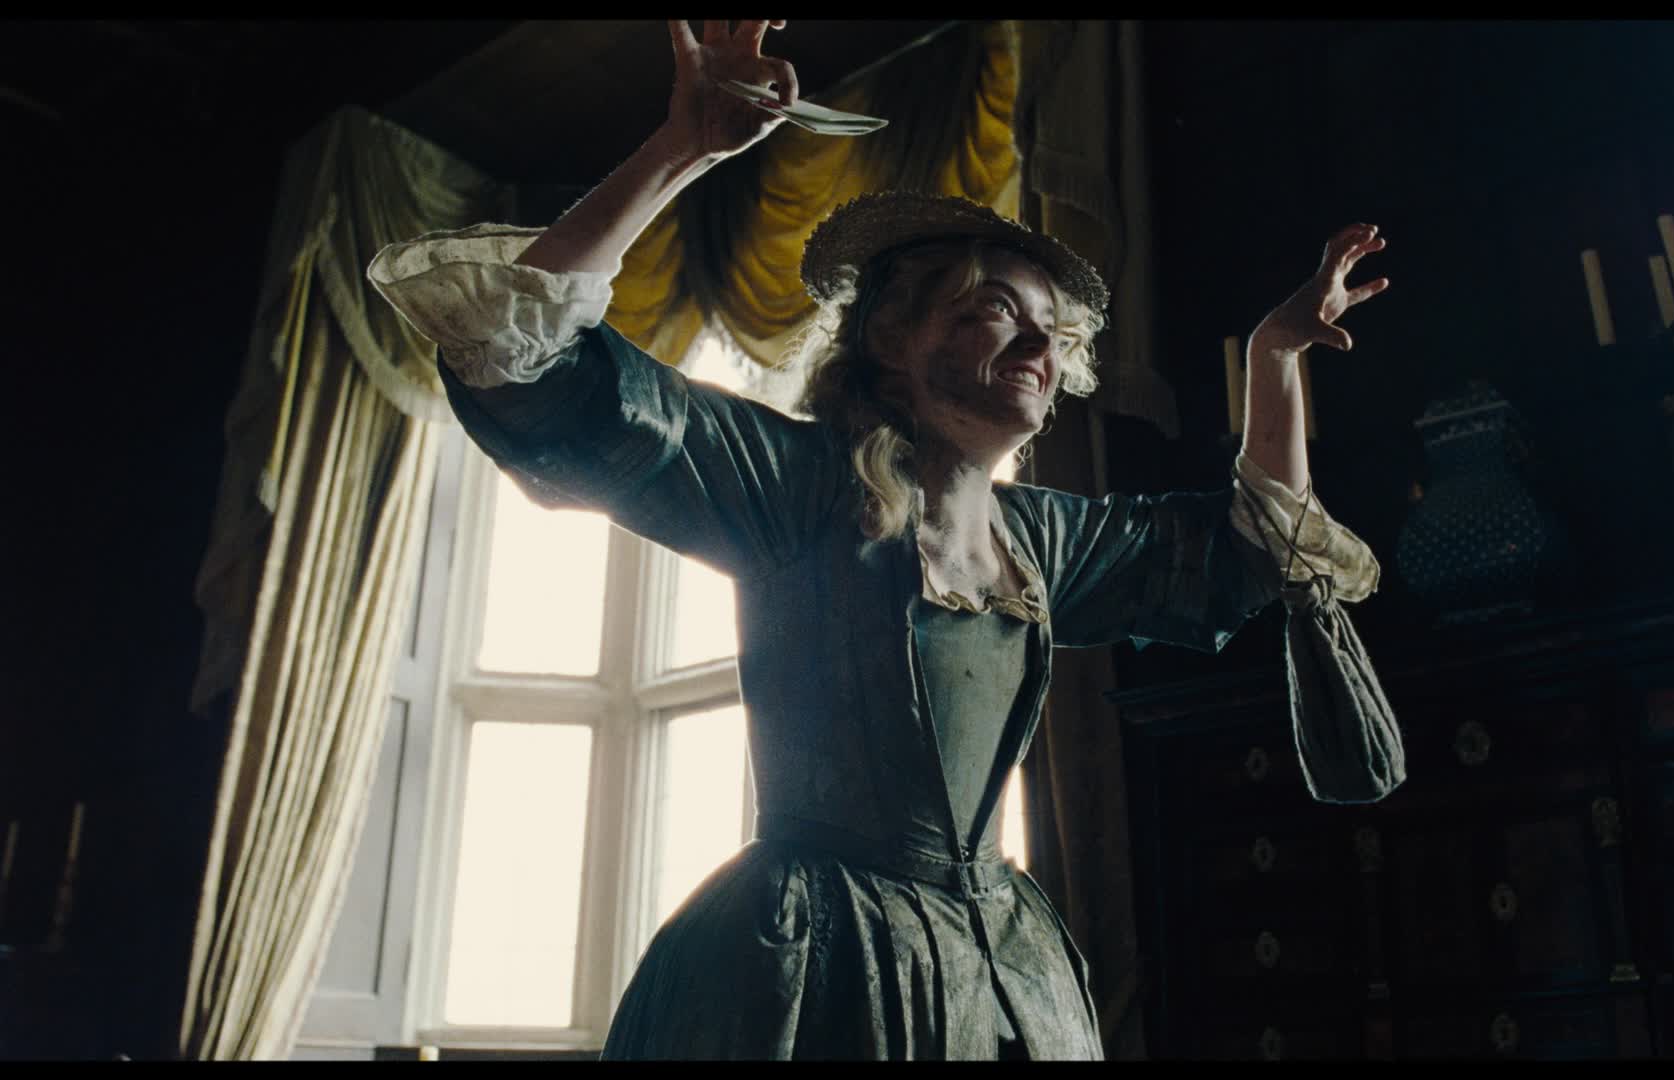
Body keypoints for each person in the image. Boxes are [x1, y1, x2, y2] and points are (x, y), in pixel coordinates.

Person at [370, 18, 1396, 1062]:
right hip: (808, 967)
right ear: (892, 339)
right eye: (997, 310)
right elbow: (526, 362)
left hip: (1004, 970)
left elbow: (1246, 552)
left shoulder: (1042, 540)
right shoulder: (795, 488)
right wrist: (681, 150)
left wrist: (1274, 360)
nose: (1039, 345)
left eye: (1054, 332)